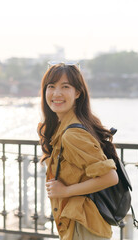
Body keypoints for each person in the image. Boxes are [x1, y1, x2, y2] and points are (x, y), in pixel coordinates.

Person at [38, 62, 119, 240]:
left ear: (77, 92)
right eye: (51, 86)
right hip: (80, 223)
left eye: (65, 86)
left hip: (84, 227)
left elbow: (110, 177)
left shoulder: (72, 134)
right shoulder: (66, 126)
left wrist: (65, 191)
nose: (56, 93)